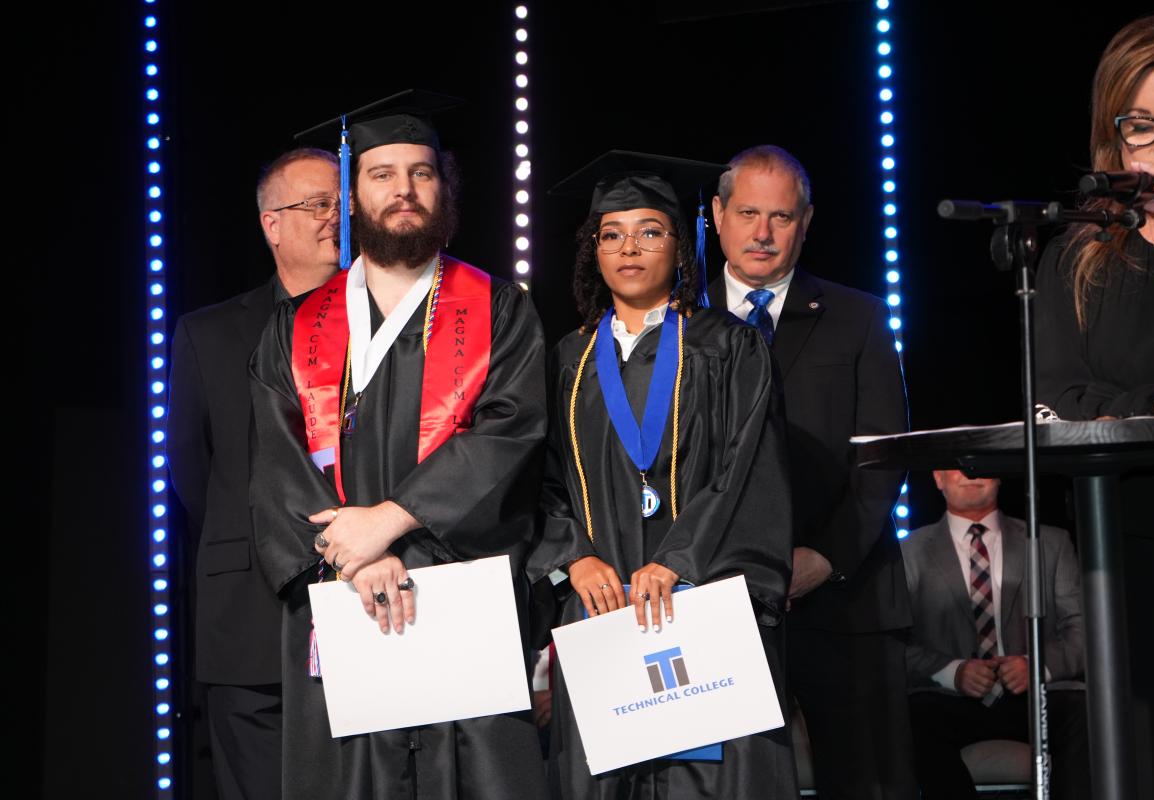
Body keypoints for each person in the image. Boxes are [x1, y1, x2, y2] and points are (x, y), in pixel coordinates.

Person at [247, 92, 549, 800]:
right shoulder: (295, 327)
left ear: (444, 189)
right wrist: (353, 555)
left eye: (421, 173)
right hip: (342, 592)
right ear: (352, 195)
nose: (403, 190)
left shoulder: (499, 309)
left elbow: (510, 432)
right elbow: (278, 463)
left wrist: (390, 520)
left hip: (459, 593)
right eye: (382, 174)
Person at [529, 150, 799, 798]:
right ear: (593, 251)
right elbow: (539, 479)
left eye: (649, 232)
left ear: (681, 245)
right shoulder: (568, 360)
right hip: (602, 614)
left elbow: (749, 471)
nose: (629, 249)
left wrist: (680, 560)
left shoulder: (729, 346)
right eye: (612, 235)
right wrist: (573, 558)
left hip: (702, 607)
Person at [707, 145, 915, 799]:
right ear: (718, 215)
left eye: (781, 216)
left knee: (867, 783)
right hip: (719, 601)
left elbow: (884, 456)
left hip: (847, 599)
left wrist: (826, 557)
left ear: (806, 222)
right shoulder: (680, 319)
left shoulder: (859, 316)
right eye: (748, 213)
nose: (763, 233)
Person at [1034, 12, 1154, 796]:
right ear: (1115, 137)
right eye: (1142, 126)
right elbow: (1057, 396)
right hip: (1125, 554)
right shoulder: (1077, 258)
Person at [167, 147, 340, 799]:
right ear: (272, 224)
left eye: (343, 205)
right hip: (249, 617)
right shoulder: (208, 333)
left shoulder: (391, 329)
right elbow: (193, 470)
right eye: (317, 204)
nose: (334, 218)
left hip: (371, 609)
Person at [902, 470, 1090, 799]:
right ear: (938, 478)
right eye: (957, 466)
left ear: (1000, 476)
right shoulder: (908, 551)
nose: (970, 474)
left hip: (1032, 699)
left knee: (1084, 709)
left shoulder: (1050, 542)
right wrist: (954, 672)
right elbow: (896, 644)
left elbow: (1082, 633)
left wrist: (1035, 667)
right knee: (911, 717)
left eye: (979, 465)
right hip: (947, 699)